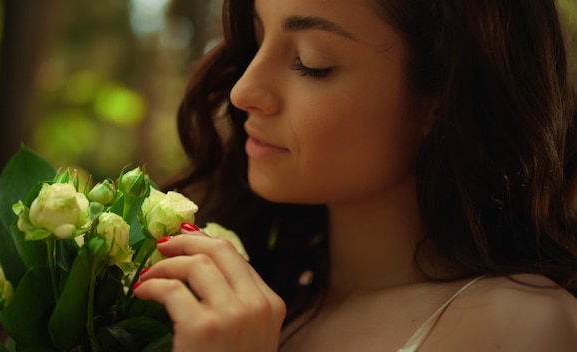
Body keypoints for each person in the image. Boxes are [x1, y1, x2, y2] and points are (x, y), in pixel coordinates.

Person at [133, 0, 577, 350]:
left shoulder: (525, 327)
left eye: (311, 62)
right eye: (256, 38)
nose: (243, 90)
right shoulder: (228, 300)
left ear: (440, 97)